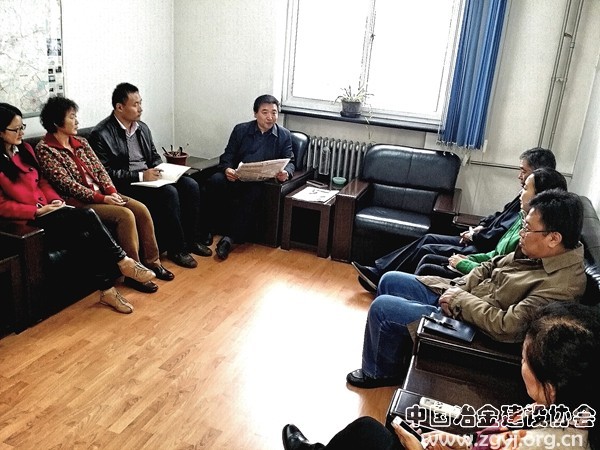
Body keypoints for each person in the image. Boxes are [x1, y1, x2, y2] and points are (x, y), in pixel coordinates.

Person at [347, 189, 586, 389]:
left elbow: (507, 326)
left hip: (474, 327)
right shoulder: (538, 251)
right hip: (463, 297)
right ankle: (394, 356)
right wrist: (459, 288)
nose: (521, 234)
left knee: (383, 309)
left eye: (527, 228)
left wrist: (460, 299)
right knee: (389, 280)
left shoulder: (561, 286)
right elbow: (490, 265)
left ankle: (378, 373)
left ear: (553, 238)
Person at [282, 301, 599, 450]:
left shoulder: (547, 443)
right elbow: (491, 441)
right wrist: (458, 443)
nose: (521, 363)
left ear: (551, 385)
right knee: (372, 433)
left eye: (525, 359)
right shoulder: (559, 410)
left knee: (370, 434)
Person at [0, 102, 155, 314]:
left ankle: (108, 290)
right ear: (1, 132)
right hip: (29, 220)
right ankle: (123, 261)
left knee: (85, 235)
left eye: (22, 127)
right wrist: (36, 211)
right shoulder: (24, 155)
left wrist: (54, 201)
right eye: (15, 129)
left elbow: (43, 181)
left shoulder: (24, 150)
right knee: (87, 215)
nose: (21, 133)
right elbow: (2, 205)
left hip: (50, 209)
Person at [352, 148, 557, 292]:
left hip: (481, 246)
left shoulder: (532, 215)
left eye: (524, 171)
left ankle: (387, 281)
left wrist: (475, 236)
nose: (519, 176)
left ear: (537, 173)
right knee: (428, 238)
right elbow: (498, 217)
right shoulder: (523, 199)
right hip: (481, 239)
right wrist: (480, 226)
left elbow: (497, 240)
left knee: (427, 249)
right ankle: (380, 271)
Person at [35, 96, 174, 294]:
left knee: (141, 209)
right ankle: (134, 273)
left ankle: (153, 263)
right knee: (125, 215)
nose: (77, 121)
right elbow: (67, 184)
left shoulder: (81, 142)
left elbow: (101, 171)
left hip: (104, 195)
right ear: (57, 122)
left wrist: (112, 192)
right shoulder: (45, 149)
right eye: (72, 117)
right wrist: (103, 198)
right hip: (80, 203)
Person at [89, 82, 211, 269]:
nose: (140, 108)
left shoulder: (142, 128)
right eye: (135, 104)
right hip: (128, 185)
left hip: (150, 179)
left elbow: (153, 157)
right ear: (119, 107)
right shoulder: (101, 134)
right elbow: (106, 174)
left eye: (141, 103)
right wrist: (140, 176)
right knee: (169, 193)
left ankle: (192, 240)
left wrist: (165, 171)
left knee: (190, 185)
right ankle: (177, 249)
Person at [415, 167, 568, 278]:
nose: (521, 193)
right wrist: (471, 259)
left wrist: (465, 263)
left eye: (525, 188)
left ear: (540, 195)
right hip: (484, 265)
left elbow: (503, 275)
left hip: (484, 278)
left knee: (427, 262)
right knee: (427, 253)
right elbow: (496, 255)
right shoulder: (522, 217)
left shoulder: (534, 236)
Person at [206, 94, 295, 260]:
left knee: (254, 192)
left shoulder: (284, 135)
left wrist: (286, 173)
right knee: (215, 181)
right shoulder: (241, 130)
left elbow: (290, 162)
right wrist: (227, 169)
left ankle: (228, 239)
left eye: (274, 113)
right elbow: (227, 156)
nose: (270, 117)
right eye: (265, 112)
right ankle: (208, 230)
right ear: (255, 113)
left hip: (259, 182)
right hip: (237, 176)